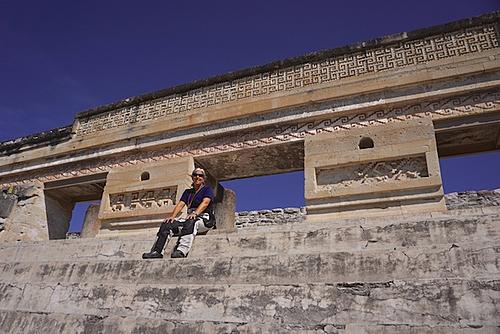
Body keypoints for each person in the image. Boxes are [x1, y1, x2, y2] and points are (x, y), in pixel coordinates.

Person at [142, 167, 216, 259]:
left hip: (205, 219)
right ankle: (157, 251)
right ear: (192, 177)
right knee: (167, 224)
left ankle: (181, 250)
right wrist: (172, 217)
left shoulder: (207, 189)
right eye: (195, 175)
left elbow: (205, 203)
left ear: (203, 178)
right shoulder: (188, 192)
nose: (197, 177)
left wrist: (195, 213)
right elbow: (181, 204)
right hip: (190, 217)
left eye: (200, 175)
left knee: (191, 222)